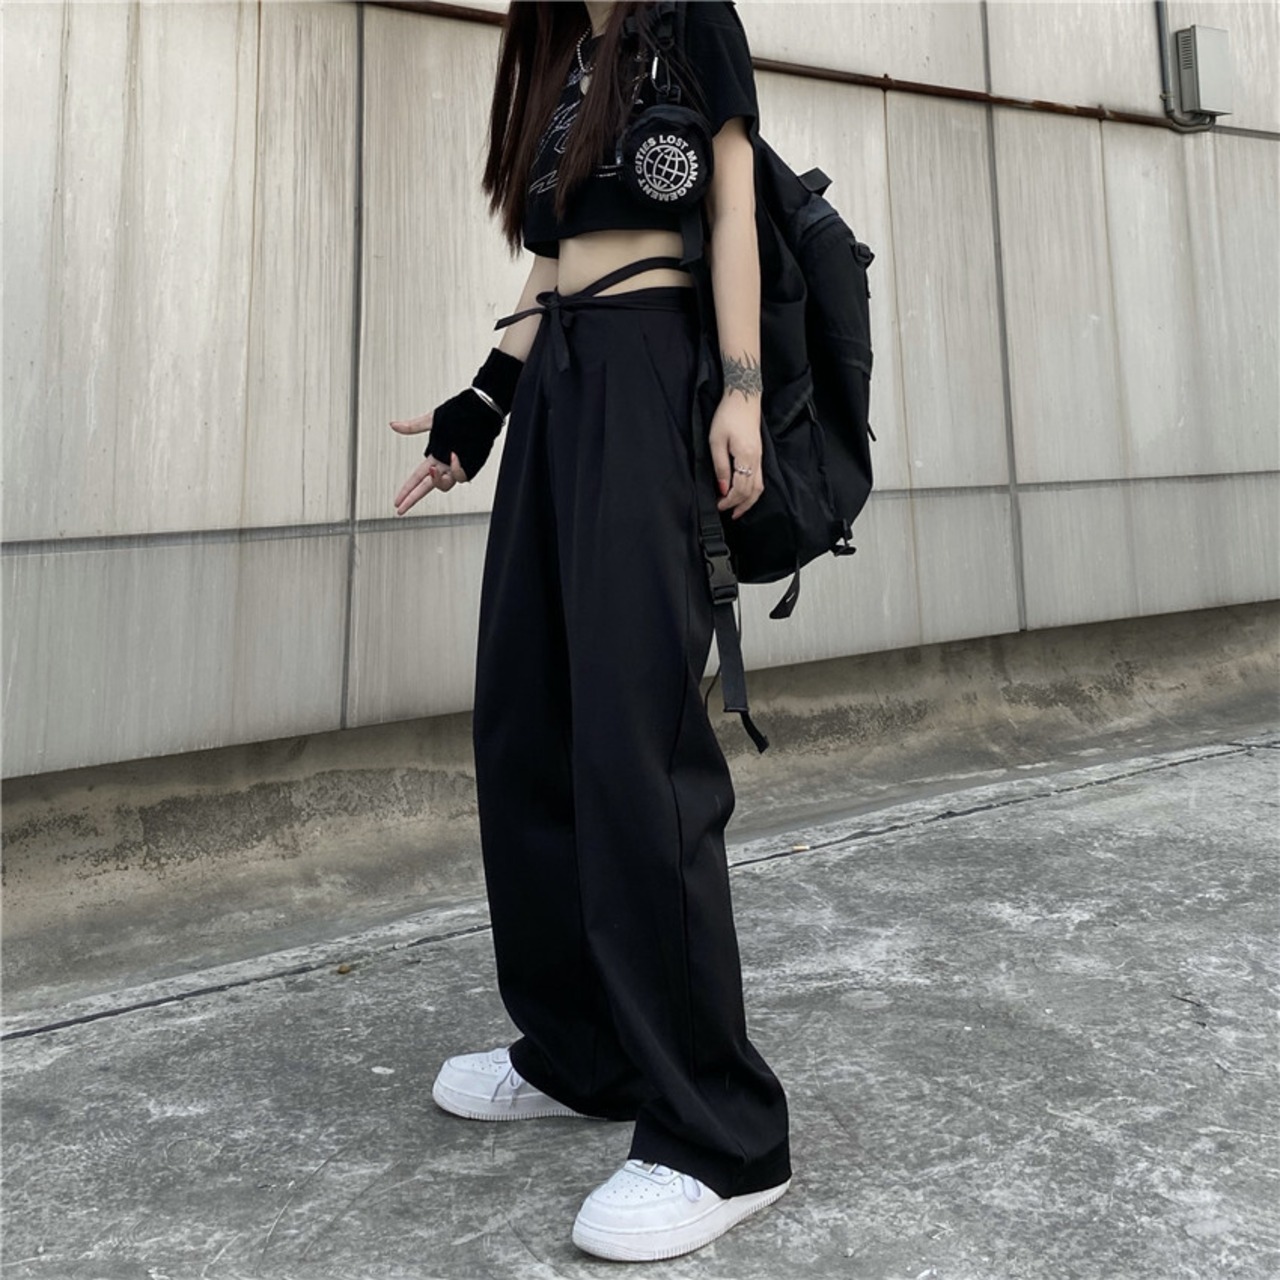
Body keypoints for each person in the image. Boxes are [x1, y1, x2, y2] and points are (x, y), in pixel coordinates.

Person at [390, 0, 790, 1261]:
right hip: (562, 383)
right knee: (527, 722)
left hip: (649, 373)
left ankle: (721, 1136)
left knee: (632, 746)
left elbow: (731, 208)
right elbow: (556, 260)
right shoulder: (570, 58)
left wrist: (737, 389)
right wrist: (481, 404)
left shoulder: (690, 21)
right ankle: (581, 1049)